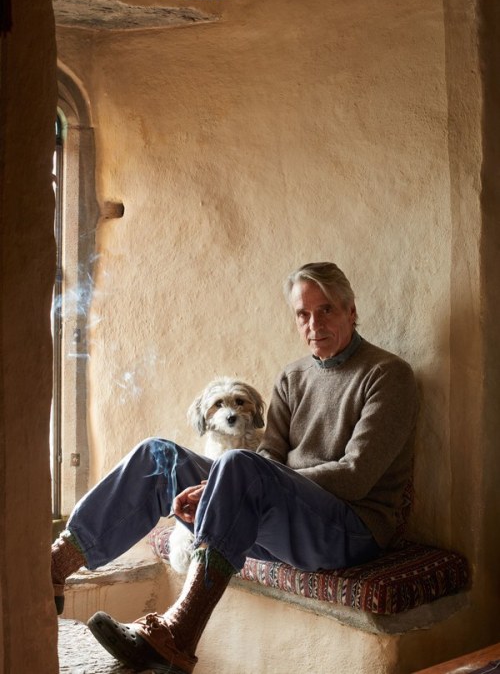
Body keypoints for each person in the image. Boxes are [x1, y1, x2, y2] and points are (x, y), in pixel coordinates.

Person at [51, 262, 419, 674]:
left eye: (327, 310)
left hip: (350, 531)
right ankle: (54, 568)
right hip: (285, 524)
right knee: (158, 457)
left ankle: (179, 633)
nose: (314, 323)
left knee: (237, 464)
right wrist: (219, 490)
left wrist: (224, 487)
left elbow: (356, 477)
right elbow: (268, 462)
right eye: (303, 314)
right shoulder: (293, 376)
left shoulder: (387, 375)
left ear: (351, 311)